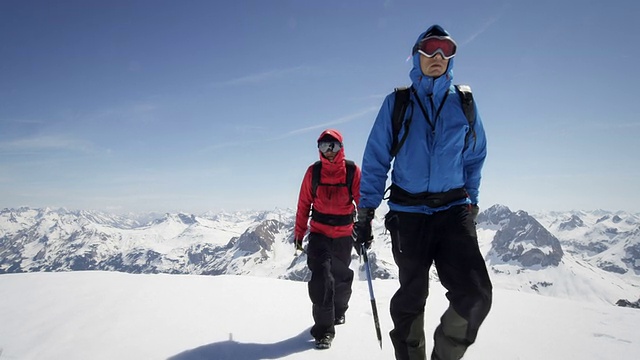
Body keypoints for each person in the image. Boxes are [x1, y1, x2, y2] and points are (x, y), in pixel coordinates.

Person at [353, 25, 493, 360]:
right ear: (417, 54)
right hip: (409, 215)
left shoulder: (464, 103)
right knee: (411, 299)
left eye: (447, 49)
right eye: (431, 48)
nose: (438, 56)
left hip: (453, 211)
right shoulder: (398, 103)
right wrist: (366, 211)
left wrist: (471, 203)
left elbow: (475, 156)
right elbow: (376, 158)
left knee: (475, 295)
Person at [294, 128, 361, 350]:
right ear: (319, 149)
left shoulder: (351, 171)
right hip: (320, 234)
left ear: (341, 147)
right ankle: (324, 331)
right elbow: (304, 203)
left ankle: (339, 311)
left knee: (341, 278)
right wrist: (299, 233)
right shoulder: (313, 173)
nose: (329, 151)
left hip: (343, 235)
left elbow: (362, 201)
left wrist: (365, 229)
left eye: (333, 146)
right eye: (324, 146)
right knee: (322, 279)